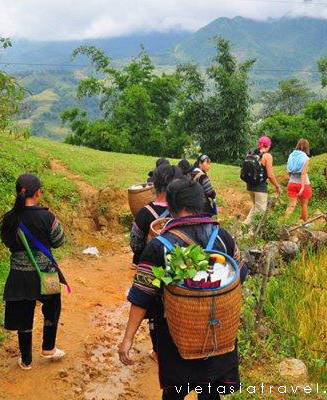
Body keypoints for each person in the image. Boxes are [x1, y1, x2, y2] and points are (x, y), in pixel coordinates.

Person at [119, 177, 245, 400]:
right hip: (217, 333)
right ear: (200, 203)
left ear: (170, 205)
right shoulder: (223, 238)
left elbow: (142, 295)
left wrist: (128, 338)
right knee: (210, 393)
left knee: (174, 394)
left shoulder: (160, 246)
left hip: (176, 338)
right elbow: (240, 274)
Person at [0, 174, 66, 370]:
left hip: (19, 275)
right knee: (52, 307)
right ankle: (48, 348)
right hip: (46, 273)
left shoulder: (10, 218)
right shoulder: (48, 217)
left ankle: (26, 360)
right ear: (37, 193)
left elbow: (7, 241)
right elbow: (59, 241)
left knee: (23, 314)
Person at [130, 164, 181, 362]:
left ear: (154, 186)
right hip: (179, 270)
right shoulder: (182, 212)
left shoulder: (144, 213)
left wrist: (144, 254)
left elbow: (135, 241)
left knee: (153, 311)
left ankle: (158, 351)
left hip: (152, 271)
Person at [243, 136, 282, 226]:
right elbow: (270, 175)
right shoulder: (267, 156)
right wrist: (277, 186)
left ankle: (244, 227)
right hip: (260, 188)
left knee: (255, 207)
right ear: (268, 146)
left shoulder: (250, 154)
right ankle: (250, 234)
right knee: (260, 213)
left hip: (249, 187)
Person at [285, 139, 312, 222]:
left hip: (292, 183)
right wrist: (302, 187)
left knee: (291, 205)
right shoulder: (305, 158)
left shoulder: (291, 155)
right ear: (306, 147)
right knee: (304, 205)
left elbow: (288, 171)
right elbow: (303, 173)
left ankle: (284, 223)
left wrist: (292, 179)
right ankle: (305, 223)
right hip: (303, 184)